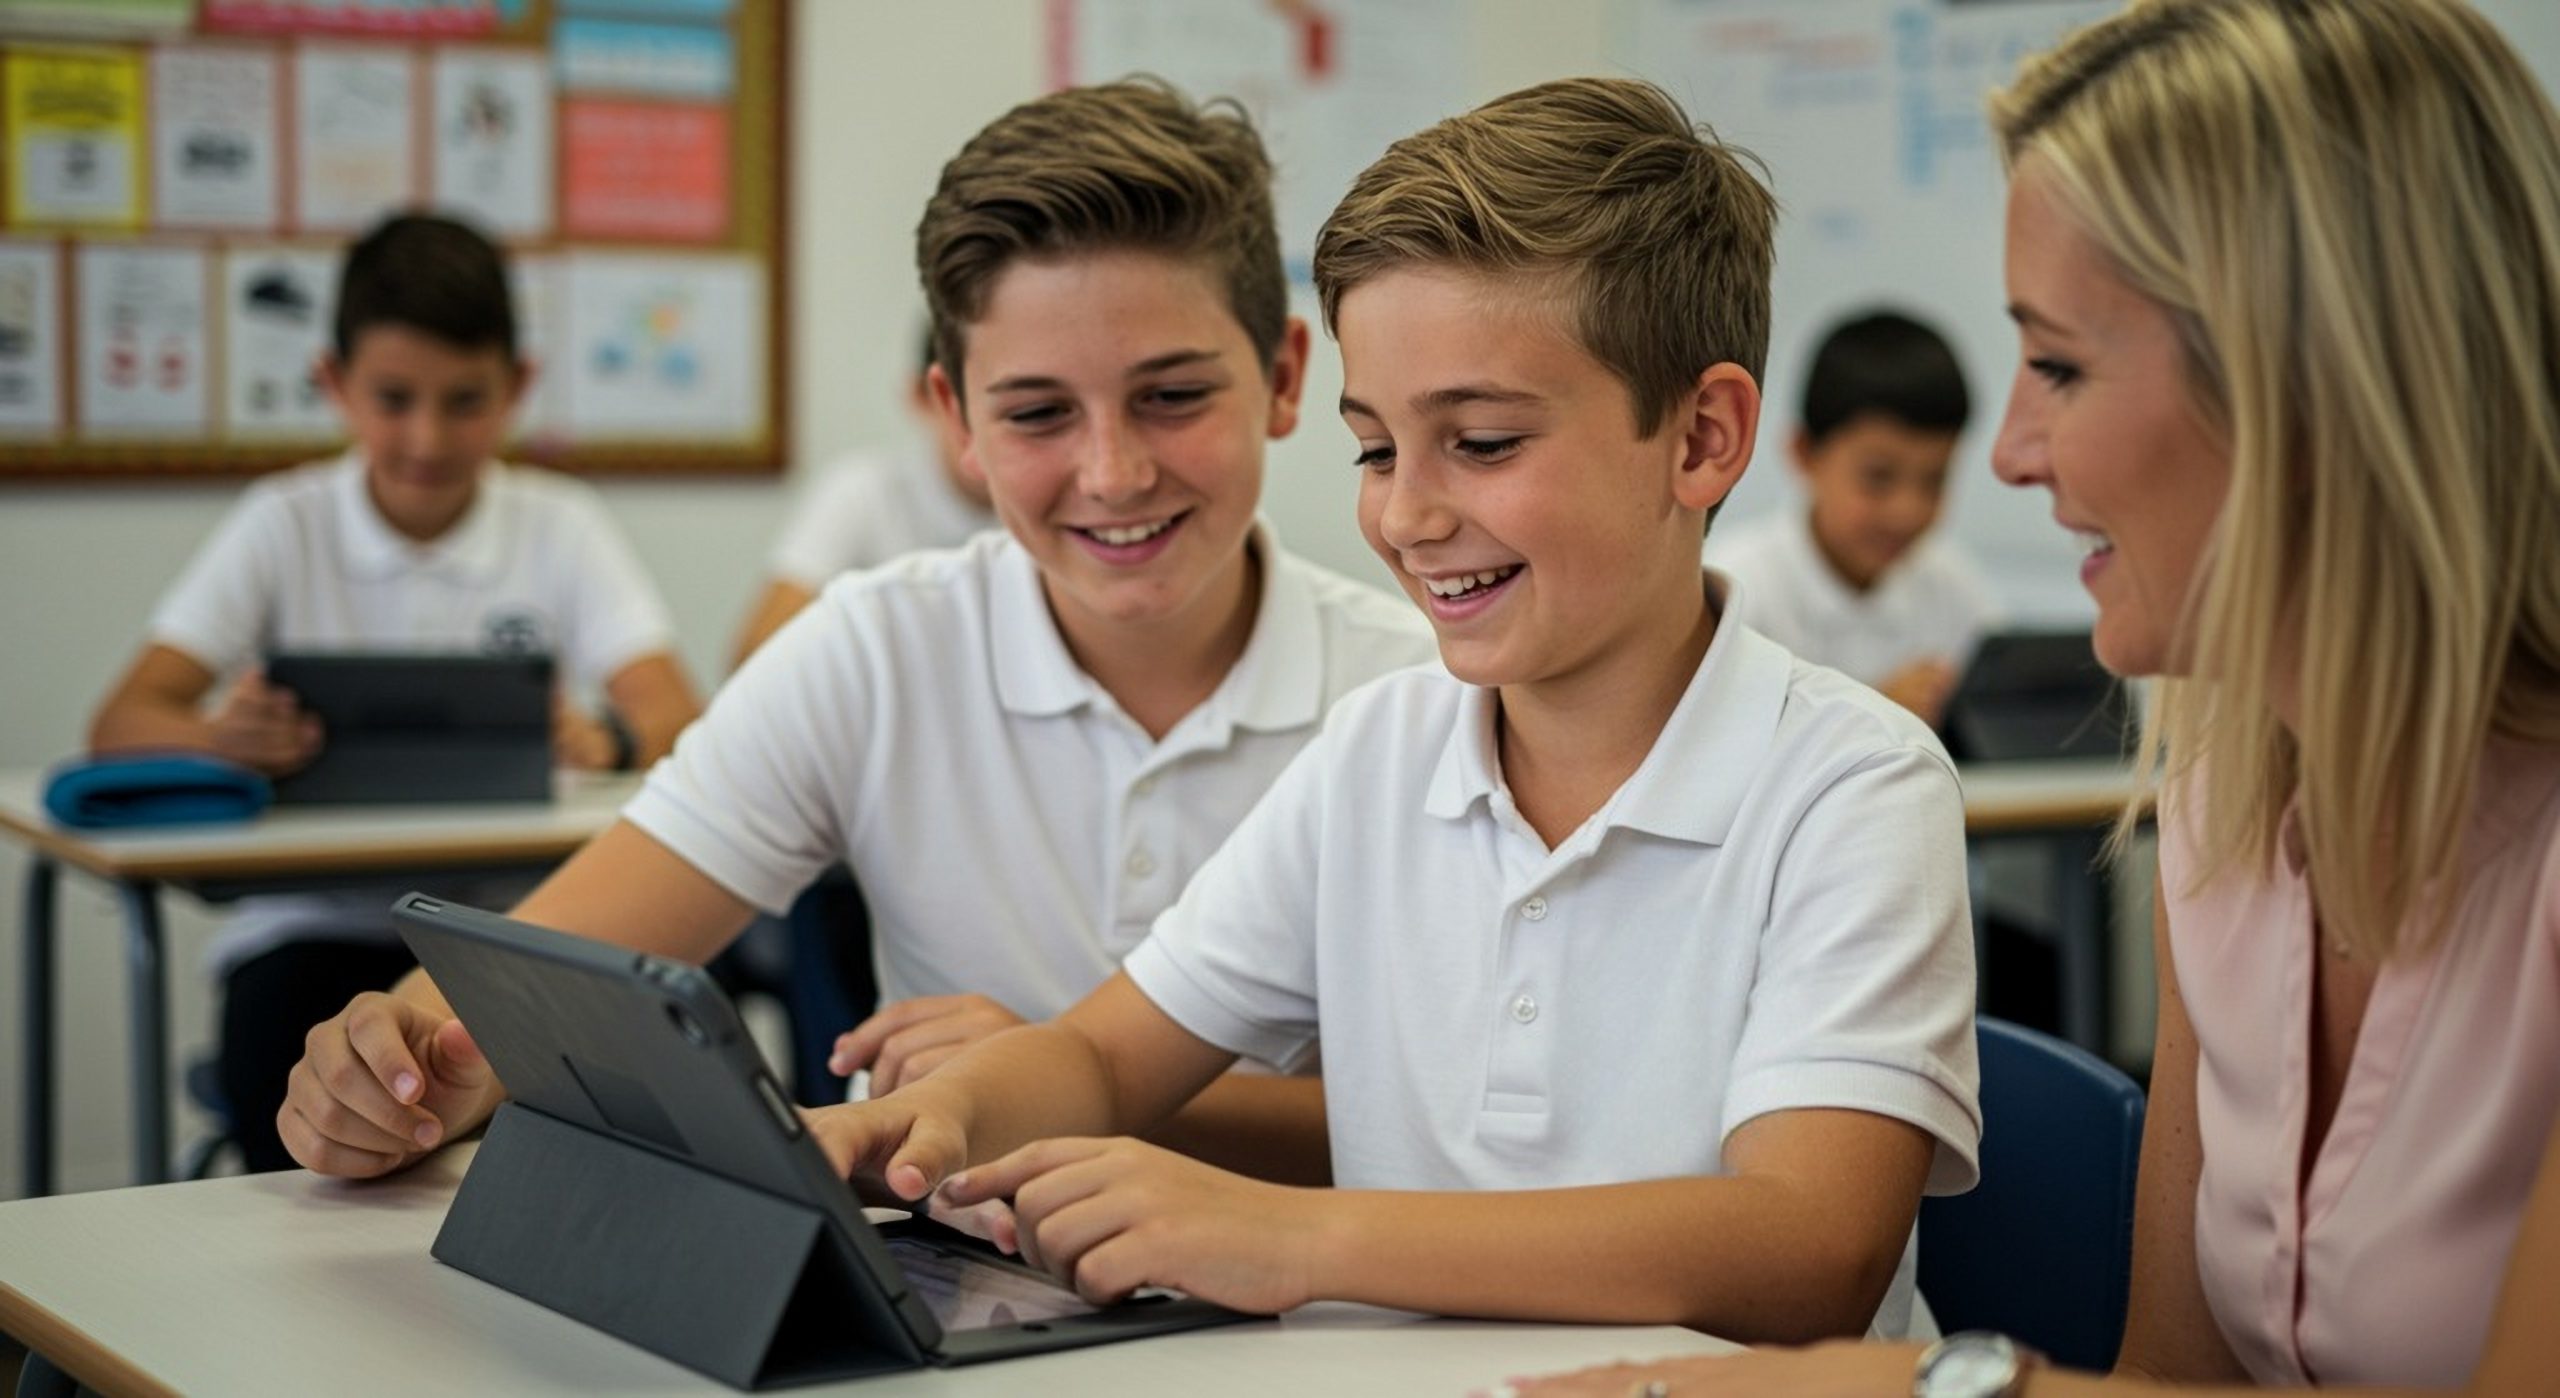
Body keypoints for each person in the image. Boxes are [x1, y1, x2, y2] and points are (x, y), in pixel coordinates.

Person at [804, 76, 1981, 1342]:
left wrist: (1294, 1234)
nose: (1406, 516)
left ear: (1700, 437)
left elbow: (1809, 1248)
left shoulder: (1853, 785)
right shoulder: (1376, 750)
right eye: (1374, 449)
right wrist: (918, 1122)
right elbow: (1099, 1058)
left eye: (1478, 443)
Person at [1515, 0, 2560, 1392]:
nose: (2008, 454)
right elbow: (2173, 1378)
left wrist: (1927, 1383)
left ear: (2317, 391)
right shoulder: (2226, 820)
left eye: (2059, 363)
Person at [276, 81, 1436, 1185]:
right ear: (956, 420)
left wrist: (1033, 1082)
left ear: (1284, 377)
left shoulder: (1422, 691)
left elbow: (1444, 1136)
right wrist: (404, 1068)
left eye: (1172, 396)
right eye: (1036, 412)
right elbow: (543, 977)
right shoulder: (876, 652)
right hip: (968, 1300)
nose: (1113, 471)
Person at [87, 212, 702, 1172]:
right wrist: (218, 737)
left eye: (465, 400)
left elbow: (680, 719)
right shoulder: (282, 523)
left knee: (580, 1140)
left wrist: (607, 740)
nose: (427, 436)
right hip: (311, 934)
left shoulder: (561, 523)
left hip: (510, 934)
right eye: (393, 398)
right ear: (334, 385)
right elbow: (121, 722)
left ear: (517, 388)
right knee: (305, 1125)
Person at [1706, 310, 2002, 725]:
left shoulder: (1953, 586)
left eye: (1935, 480)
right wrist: (1874, 712)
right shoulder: (1737, 589)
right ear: (1804, 453)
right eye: (1878, 478)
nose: (1907, 511)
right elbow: (1718, 742)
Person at [727, 329, 996, 668]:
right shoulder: (863, 491)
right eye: (970, 407)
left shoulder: (1065, 505)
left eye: (1034, 411)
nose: (988, 437)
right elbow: (757, 657)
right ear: (924, 396)